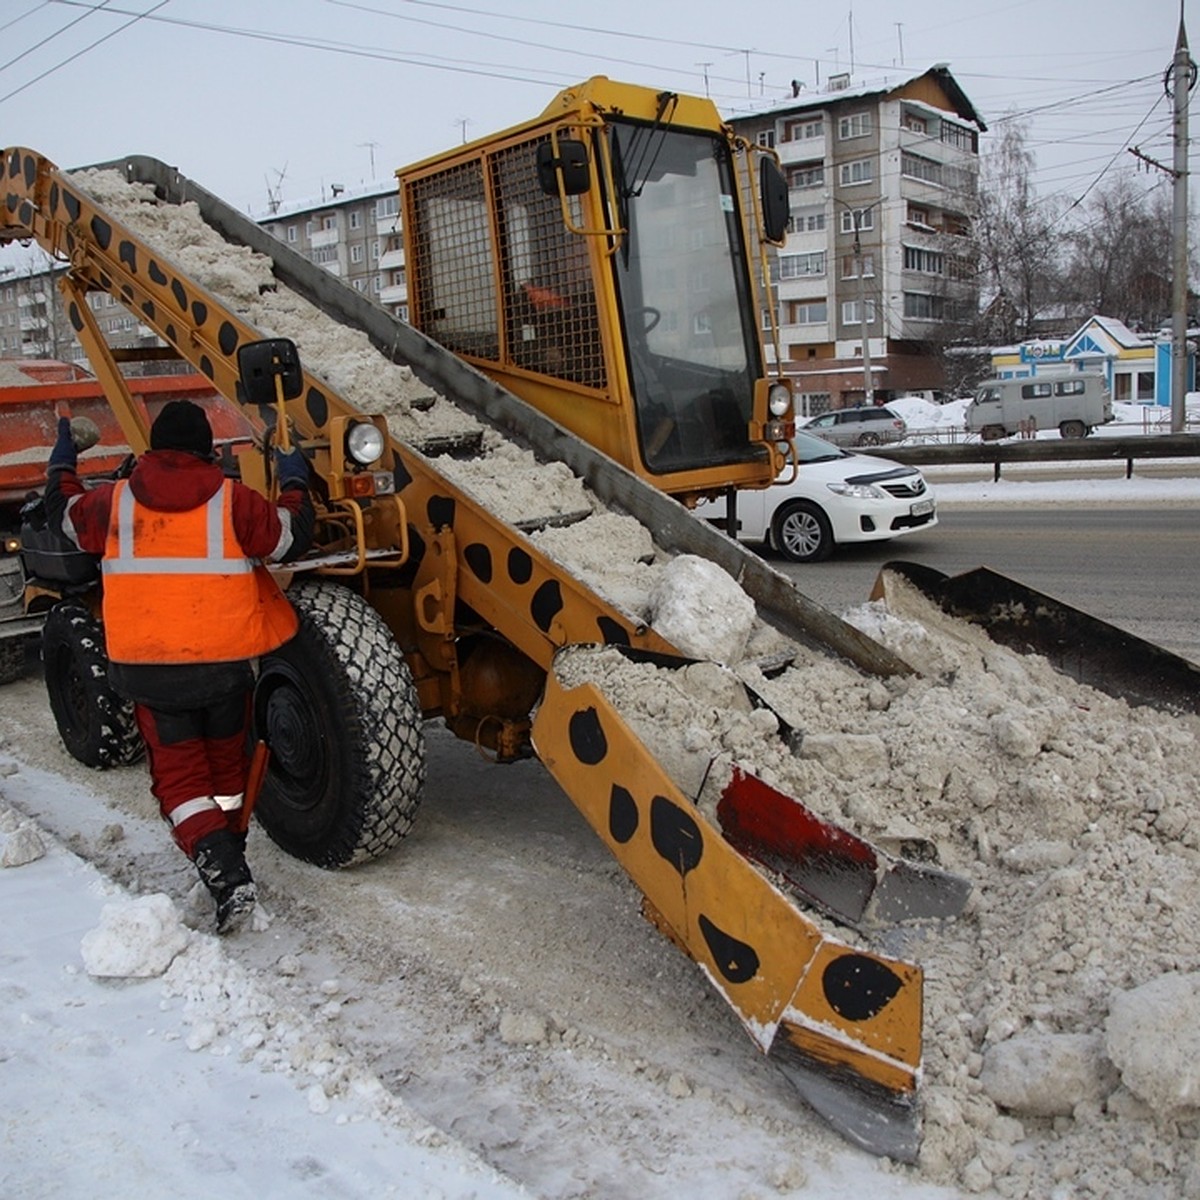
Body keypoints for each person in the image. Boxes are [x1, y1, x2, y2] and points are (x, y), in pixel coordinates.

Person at [45, 399, 314, 934]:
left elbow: (62, 517)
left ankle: (225, 871)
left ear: (153, 451)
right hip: (223, 669)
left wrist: (62, 461)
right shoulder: (233, 502)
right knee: (224, 773)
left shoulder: (115, 503)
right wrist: (294, 478)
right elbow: (290, 536)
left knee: (181, 782)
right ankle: (226, 849)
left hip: (151, 673)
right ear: (207, 451)